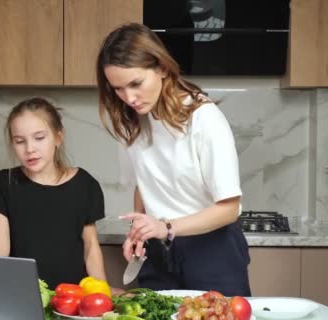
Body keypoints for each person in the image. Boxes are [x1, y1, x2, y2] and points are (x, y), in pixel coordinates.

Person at [95, 23, 251, 296]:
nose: (128, 98)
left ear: (162, 68)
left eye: (135, 84)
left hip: (212, 251)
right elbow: (142, 184)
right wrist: (139, 230)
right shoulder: (132, 123)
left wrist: (166, 227)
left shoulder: (204, 117)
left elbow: (228, 208)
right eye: (118, 88)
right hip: (159, 253)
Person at [0, 97, 108, 288]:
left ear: (58, 137)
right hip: (22, 293)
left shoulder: (84, 184)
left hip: (72, 299)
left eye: (39, 138)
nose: (30, 149)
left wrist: (102, 292)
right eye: (19, 141)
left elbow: (90, 247)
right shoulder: (3, 183)